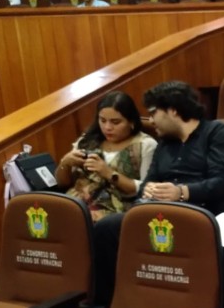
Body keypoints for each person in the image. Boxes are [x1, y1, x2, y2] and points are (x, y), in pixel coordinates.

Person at [92, 81, 224, 307]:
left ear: (173, 111)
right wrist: (149, 189)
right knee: (107, 228)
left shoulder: (218, 134)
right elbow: (147, 183)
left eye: (154, 113)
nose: (151, 120)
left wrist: (182, 192)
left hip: (203, 213)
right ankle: (111, 305)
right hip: (160, 211)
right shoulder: (165, 144)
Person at [56, 91, 156, 222]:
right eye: (102, 120)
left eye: (115, 122)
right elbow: (62, 183)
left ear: (131, 122)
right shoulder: (88, 140)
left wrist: (108, 173)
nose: (107, 127)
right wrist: (65, 163)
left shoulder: (145, 145)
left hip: (115, 211)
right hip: (75, 204)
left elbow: (146, 189)